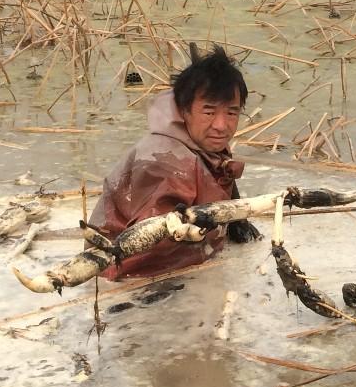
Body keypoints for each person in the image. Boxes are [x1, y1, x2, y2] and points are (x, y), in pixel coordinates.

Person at [88, 44, 261, 280]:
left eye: (231, 113)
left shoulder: (200, 141)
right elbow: (152, 239)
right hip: (130, 270)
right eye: (209, 112)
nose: (221, 126)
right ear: (184, 110)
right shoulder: (167, 163)